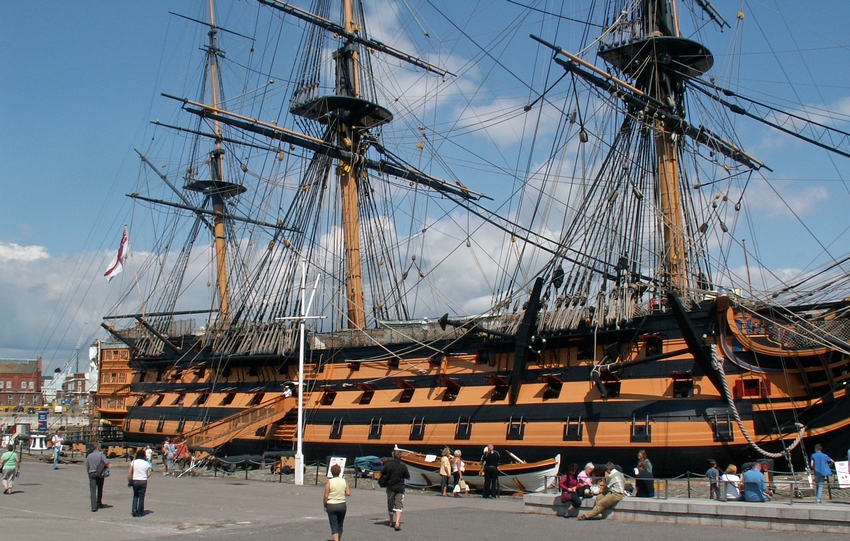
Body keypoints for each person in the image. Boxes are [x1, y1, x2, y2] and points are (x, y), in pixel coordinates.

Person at [379, 449, 410, 531]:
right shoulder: (403, 466)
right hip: (400, 487)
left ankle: (391, 521)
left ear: (393, 456)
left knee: (390, 504)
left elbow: (381, 473)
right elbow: (408, 477)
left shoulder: (388, 465)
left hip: (390, 487)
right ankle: (397, 522)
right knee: (399, 504)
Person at [323, 463, 351, 541]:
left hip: (331, 504)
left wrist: (325, 505)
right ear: (340, 472)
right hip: (342, 504)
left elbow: (326, 496)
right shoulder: (344, 481)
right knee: (340, 524)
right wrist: (341, 493)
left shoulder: (329, 482)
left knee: (333, 524)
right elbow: (348, 493)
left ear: (331, 472)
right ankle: (339, 539)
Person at [85, 442, 110, 511]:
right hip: (100, 473)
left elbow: (87, 466)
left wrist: (88, 473)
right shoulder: (101, 455)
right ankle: (99, 503)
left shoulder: (89, 456)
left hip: (91, 473)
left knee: (92, 490)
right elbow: (107, 463)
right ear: (98, 448)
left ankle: (93, 506)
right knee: (100, 488)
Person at [128, 448, 152, 517]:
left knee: (135, 495)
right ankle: (140, 512)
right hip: (143, 481)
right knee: (142, 497)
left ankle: (134, 509)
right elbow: (149, 473)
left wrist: (129, 479)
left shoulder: (133, 462)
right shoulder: (146, 463)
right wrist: (145, 477)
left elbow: (129, 471)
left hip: (135, 480)